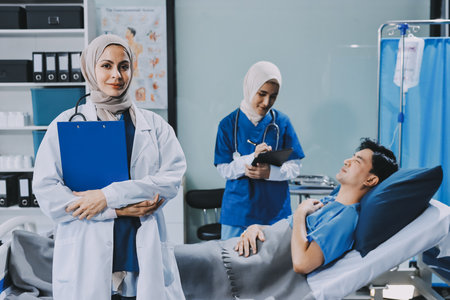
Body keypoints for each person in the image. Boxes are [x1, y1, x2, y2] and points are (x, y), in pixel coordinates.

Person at [32, 34, 186, 300]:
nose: (117, 74)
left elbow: (170, 180)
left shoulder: (155, 125)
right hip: (86, 253)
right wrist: (115, 209)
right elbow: (47, 194)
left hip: (140, 251)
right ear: (90, 68)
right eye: (106, 66)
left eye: (123, 66)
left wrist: (106, 196)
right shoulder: (66, 124)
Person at [175, 138, 398, 299]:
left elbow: (302, 263)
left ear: (370, 180)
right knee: (163, 260)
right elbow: (290, 231)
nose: (348, 160)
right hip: (242, 249)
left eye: (358, 161)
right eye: (352, 156)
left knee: (169, 261)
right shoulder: (330, 202)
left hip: (244, 267)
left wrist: (300, 211)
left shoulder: (346, 217)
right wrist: (257, 227)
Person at [214, 61, 305, 239]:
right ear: (250, 88)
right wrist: (251, 158)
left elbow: (295, 166)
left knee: (274, 265)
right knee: (233, 263)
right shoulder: (228, 125)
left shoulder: (282, 123)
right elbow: (224, 168)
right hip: (238, 213)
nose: (266, 102)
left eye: (273, 96)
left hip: (275, 212)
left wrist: (270, 172)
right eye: (261, 94)